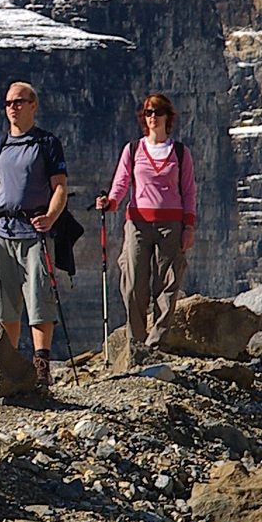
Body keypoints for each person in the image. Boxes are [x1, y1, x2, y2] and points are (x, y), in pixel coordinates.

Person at [0, 82, 69, 389]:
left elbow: (59, 187)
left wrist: (51, 217)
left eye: (19, 102)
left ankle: (41, 365)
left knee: (40, 297)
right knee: (5, 304)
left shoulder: (47, 143)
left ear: (33, 105)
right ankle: (10, 366)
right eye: (8, 103)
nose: (12, 107)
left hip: (35, 234)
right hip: (1, 233)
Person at [95, 93, 196, 347]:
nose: (153, 117)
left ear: (167, 117)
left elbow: (189, 191)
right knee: (133, 282)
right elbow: (121, 182)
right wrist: (111, 202)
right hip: (138, 222)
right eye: (148, 112)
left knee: (167, 284)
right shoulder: (133, 149)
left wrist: (189, 226)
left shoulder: (181, 153)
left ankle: (157, 342)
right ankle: (136, 340)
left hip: (171, 224)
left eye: (158, 112)